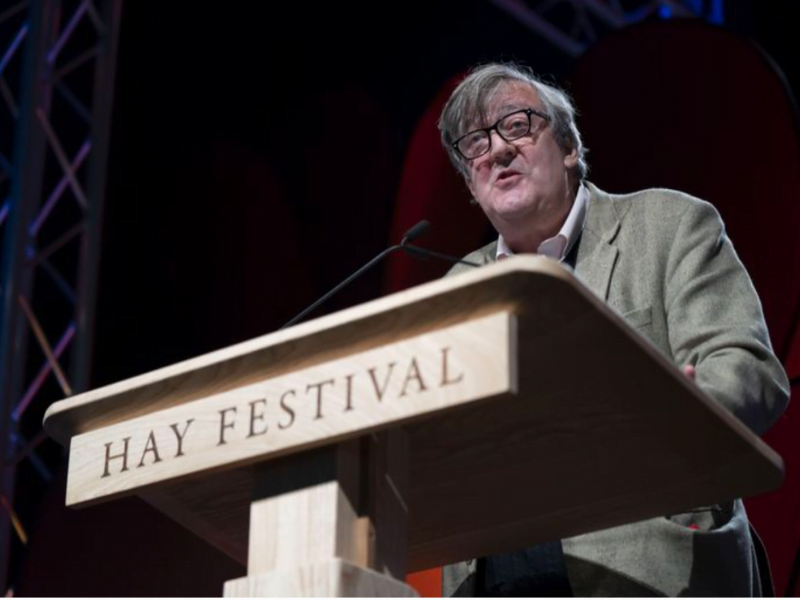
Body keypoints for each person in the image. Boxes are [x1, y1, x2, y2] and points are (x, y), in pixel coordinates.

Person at [438, 62, 791, 597]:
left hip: (643, 561)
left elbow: (748, 369)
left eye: (516, 125)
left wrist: (676, 409)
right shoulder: (457, 286)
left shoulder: (669, 225)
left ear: (568, 147)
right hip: (494, 572)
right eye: (475, 143)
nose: (498, 150)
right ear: (471, 181)